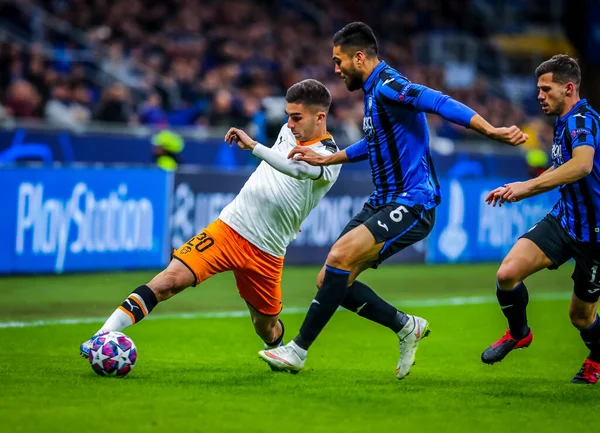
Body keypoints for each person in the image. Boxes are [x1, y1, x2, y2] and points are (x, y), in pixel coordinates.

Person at [259, 22, 527, 379]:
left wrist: (491, 130)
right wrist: (327, 158)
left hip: (414, 200)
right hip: (383, 200)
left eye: (339, 62)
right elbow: (373, 143)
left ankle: (297, 350)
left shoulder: (388, 85)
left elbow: (437, 100)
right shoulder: (372, 94)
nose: (336, 70)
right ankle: (405, 326)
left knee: (340, 257)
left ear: (359, 57)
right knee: (331, 279)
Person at [79, 79, 341, 358]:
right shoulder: (289, 131)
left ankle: (276, 346)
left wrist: (253, 146)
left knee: (266, 327)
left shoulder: (330, 158)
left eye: (297, 118)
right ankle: (99, 338)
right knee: (168, 281)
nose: (290, 124)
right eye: (288, 116)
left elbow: (297, 171)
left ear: (320, 117)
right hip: (230, 228)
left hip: (268, 250)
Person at [480, 55, 600, 385]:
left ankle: (597, 359)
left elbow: (582, 166)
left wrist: (528, 186)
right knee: (507, 273)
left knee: (580, 316)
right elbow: (563, 167)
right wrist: (518, 188)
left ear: (569, 88)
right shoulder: (563, 122)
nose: (539, 95)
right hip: (565, 220)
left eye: (546, 89)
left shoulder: (582, 121)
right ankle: (519, 333)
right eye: (539, 89)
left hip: (596, 234)